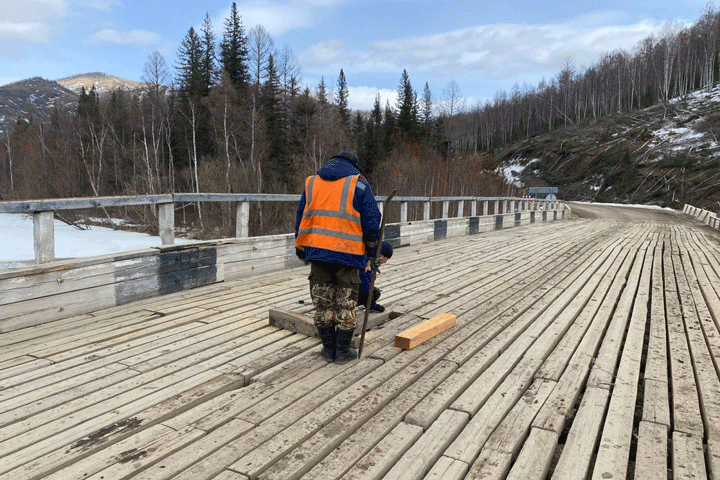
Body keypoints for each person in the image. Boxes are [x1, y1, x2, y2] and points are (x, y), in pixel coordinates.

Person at [295, 151, 381, 364]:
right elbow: (371, 220)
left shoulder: (312, 183)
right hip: (348, 254)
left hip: (318, 253)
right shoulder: (359, 185)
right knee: (346, 302)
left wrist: (301, 249)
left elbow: (300, 218)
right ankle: (342, 352)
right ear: (354, 166)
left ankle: (328, 348)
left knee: (322, 302)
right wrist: (372, 253)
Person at [358, 241, 393, 312]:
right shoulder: (367, 263)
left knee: (376, 292)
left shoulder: (371, 262)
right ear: (382, 255)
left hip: (358, 287)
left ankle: (365, 303)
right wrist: (373, 306)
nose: (385, 262)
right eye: (386, 258)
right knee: (372, 292)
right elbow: (365, 287)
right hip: (353, 290)